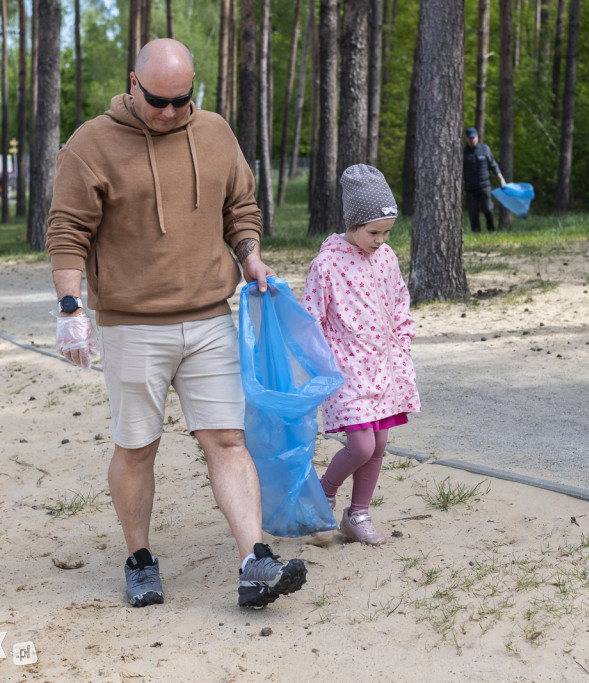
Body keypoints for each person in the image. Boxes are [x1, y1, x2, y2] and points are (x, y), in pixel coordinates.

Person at [45, 38, 307, 609]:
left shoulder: (214, 133)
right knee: (138, 446)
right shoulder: (91, 144)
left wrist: (250, 255)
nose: (169, 112)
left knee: (227, 438)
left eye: (181, 100)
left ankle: (254, 562)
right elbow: (67, 231)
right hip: (131, 326)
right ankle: (139, 558)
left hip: (210, 317)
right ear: (134, 84)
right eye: (159, 100)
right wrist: (70, 311)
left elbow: (240, 205)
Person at [300, 164, 421, 546]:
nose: (382, 240)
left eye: (387, 232)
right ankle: (323, 497)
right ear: (352, 223)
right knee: (362, 445)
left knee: (380, 444)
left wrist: (402, 339)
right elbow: (310, 319)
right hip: (347, 373)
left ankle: (358, 515)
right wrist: (319, 364)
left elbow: (399, 299)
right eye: (374, 232)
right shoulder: (327, 265)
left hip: (384, 367)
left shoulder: (386, 258)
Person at [463, 126, 507, 233]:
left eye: (474, 138)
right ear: (466, 138)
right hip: (470, 188)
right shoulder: (463, 153)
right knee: (473, 213)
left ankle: (491, 230)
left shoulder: (485, 149)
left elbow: (493, 164)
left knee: (488, 209)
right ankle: (476, 233)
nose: (472, 140)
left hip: (485, 186)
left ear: (477, 137)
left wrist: (501, 178)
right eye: (470, 138)